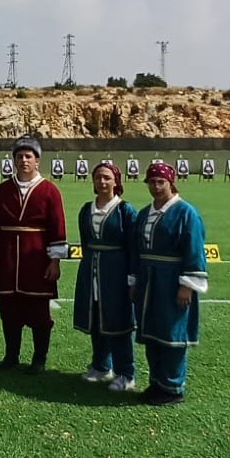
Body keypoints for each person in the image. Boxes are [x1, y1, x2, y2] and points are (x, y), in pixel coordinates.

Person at [0, 136, 68, 374]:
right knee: (8, 310)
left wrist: (55, 261)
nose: (23, 161)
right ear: (14, 160)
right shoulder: (2, 190)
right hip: (8, 260)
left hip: (37, 260)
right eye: (19, 156)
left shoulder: (49, 190)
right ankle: (11, 356)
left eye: (28, 156)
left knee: (39, 312)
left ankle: (39, 359)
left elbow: (57, 227)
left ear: (37, 160)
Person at [131, 163, 208, 405]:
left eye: (160, 182)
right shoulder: (145, 212)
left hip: (172, 280)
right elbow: (136, 250)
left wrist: (187, 284)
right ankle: (157, 383)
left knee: (172, 333)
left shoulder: (186, 213)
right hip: (148, 279)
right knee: (152, 332)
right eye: (151, 182)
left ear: (170, 183)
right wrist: (133, 280)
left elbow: (194, 250)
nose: (155, 186)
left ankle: (173, 388)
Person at [73, 163, 138, 391]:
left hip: (116, 273)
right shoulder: (86, 210)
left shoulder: (125, 211)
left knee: (119, 322)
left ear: (116, 181)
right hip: (91, 271)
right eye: (98, 177)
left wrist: (132, 278)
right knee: (96, 319)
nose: (102, 182)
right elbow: (84, 242)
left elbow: (133, 247)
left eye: (107, 178)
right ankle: (101, 366)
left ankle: (126, 374)